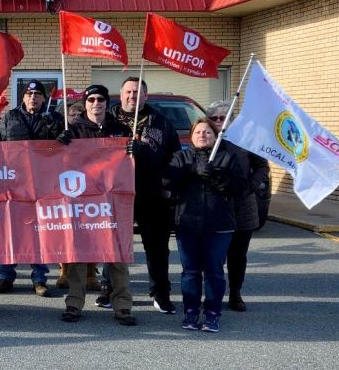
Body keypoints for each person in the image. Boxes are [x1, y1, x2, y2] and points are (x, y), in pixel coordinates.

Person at [59, 85, 137, 326]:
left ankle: (122, 305)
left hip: (113, 201)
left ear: (106, 101)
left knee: (117, 254)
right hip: (82, 201)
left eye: (100, 98)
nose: (96, 103)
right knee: (78, 254)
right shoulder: (73, 130)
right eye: (91, 99)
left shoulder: (120, 129)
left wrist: (135, 150)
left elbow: (132, 163)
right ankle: (74, 303)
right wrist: (58, 144)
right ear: (86, 103)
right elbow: (55, 162)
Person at [163, 117, 246, 333]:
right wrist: (189, 171)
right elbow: (168, 182)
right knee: (190, 271)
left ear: (215, 136)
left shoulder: (228, 158)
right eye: (198, 132)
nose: (203, 135)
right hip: (187, 224)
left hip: (219, 225)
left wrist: (218, 178)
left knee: (214, 272)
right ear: (191, 136)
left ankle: (212, 314)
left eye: (208, 132)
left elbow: (239, 187)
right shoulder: (181, 157)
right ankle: (190, 311)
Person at [107, 77, 181, 313]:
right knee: (113, 245)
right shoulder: (108, 120)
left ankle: (160, 292)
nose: (132, 96)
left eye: (138, 92)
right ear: (121, 94)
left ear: (145, 96)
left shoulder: (161, 122)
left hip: (152, 193)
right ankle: (110, 289)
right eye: (128, 91)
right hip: (116, 193)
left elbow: (175, 156)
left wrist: (166, 183)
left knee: (157, 247)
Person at [0, 80, 64, 297]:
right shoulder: (10, 117)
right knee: (10, 231)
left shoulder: (53, 119)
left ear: (44, 98)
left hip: (42, 185)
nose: (33, 97)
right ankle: (6, 275)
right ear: (23, 97)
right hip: (14, 183)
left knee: (39, 232)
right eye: (29, 93)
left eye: (37, 94)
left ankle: (39, 279)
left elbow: (62, 146)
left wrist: (57, 130)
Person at [206, 100, 270, 312]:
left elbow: (262, 166)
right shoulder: (205, 138)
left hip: (242, 206)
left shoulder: (246, 139)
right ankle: (212, 294)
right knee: (214, 256)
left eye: (222, 118)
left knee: (237, 255)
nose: (217, 122)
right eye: (213, 118)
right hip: (214, 207)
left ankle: (235, 293)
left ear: (232, 119)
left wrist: (251, 186)